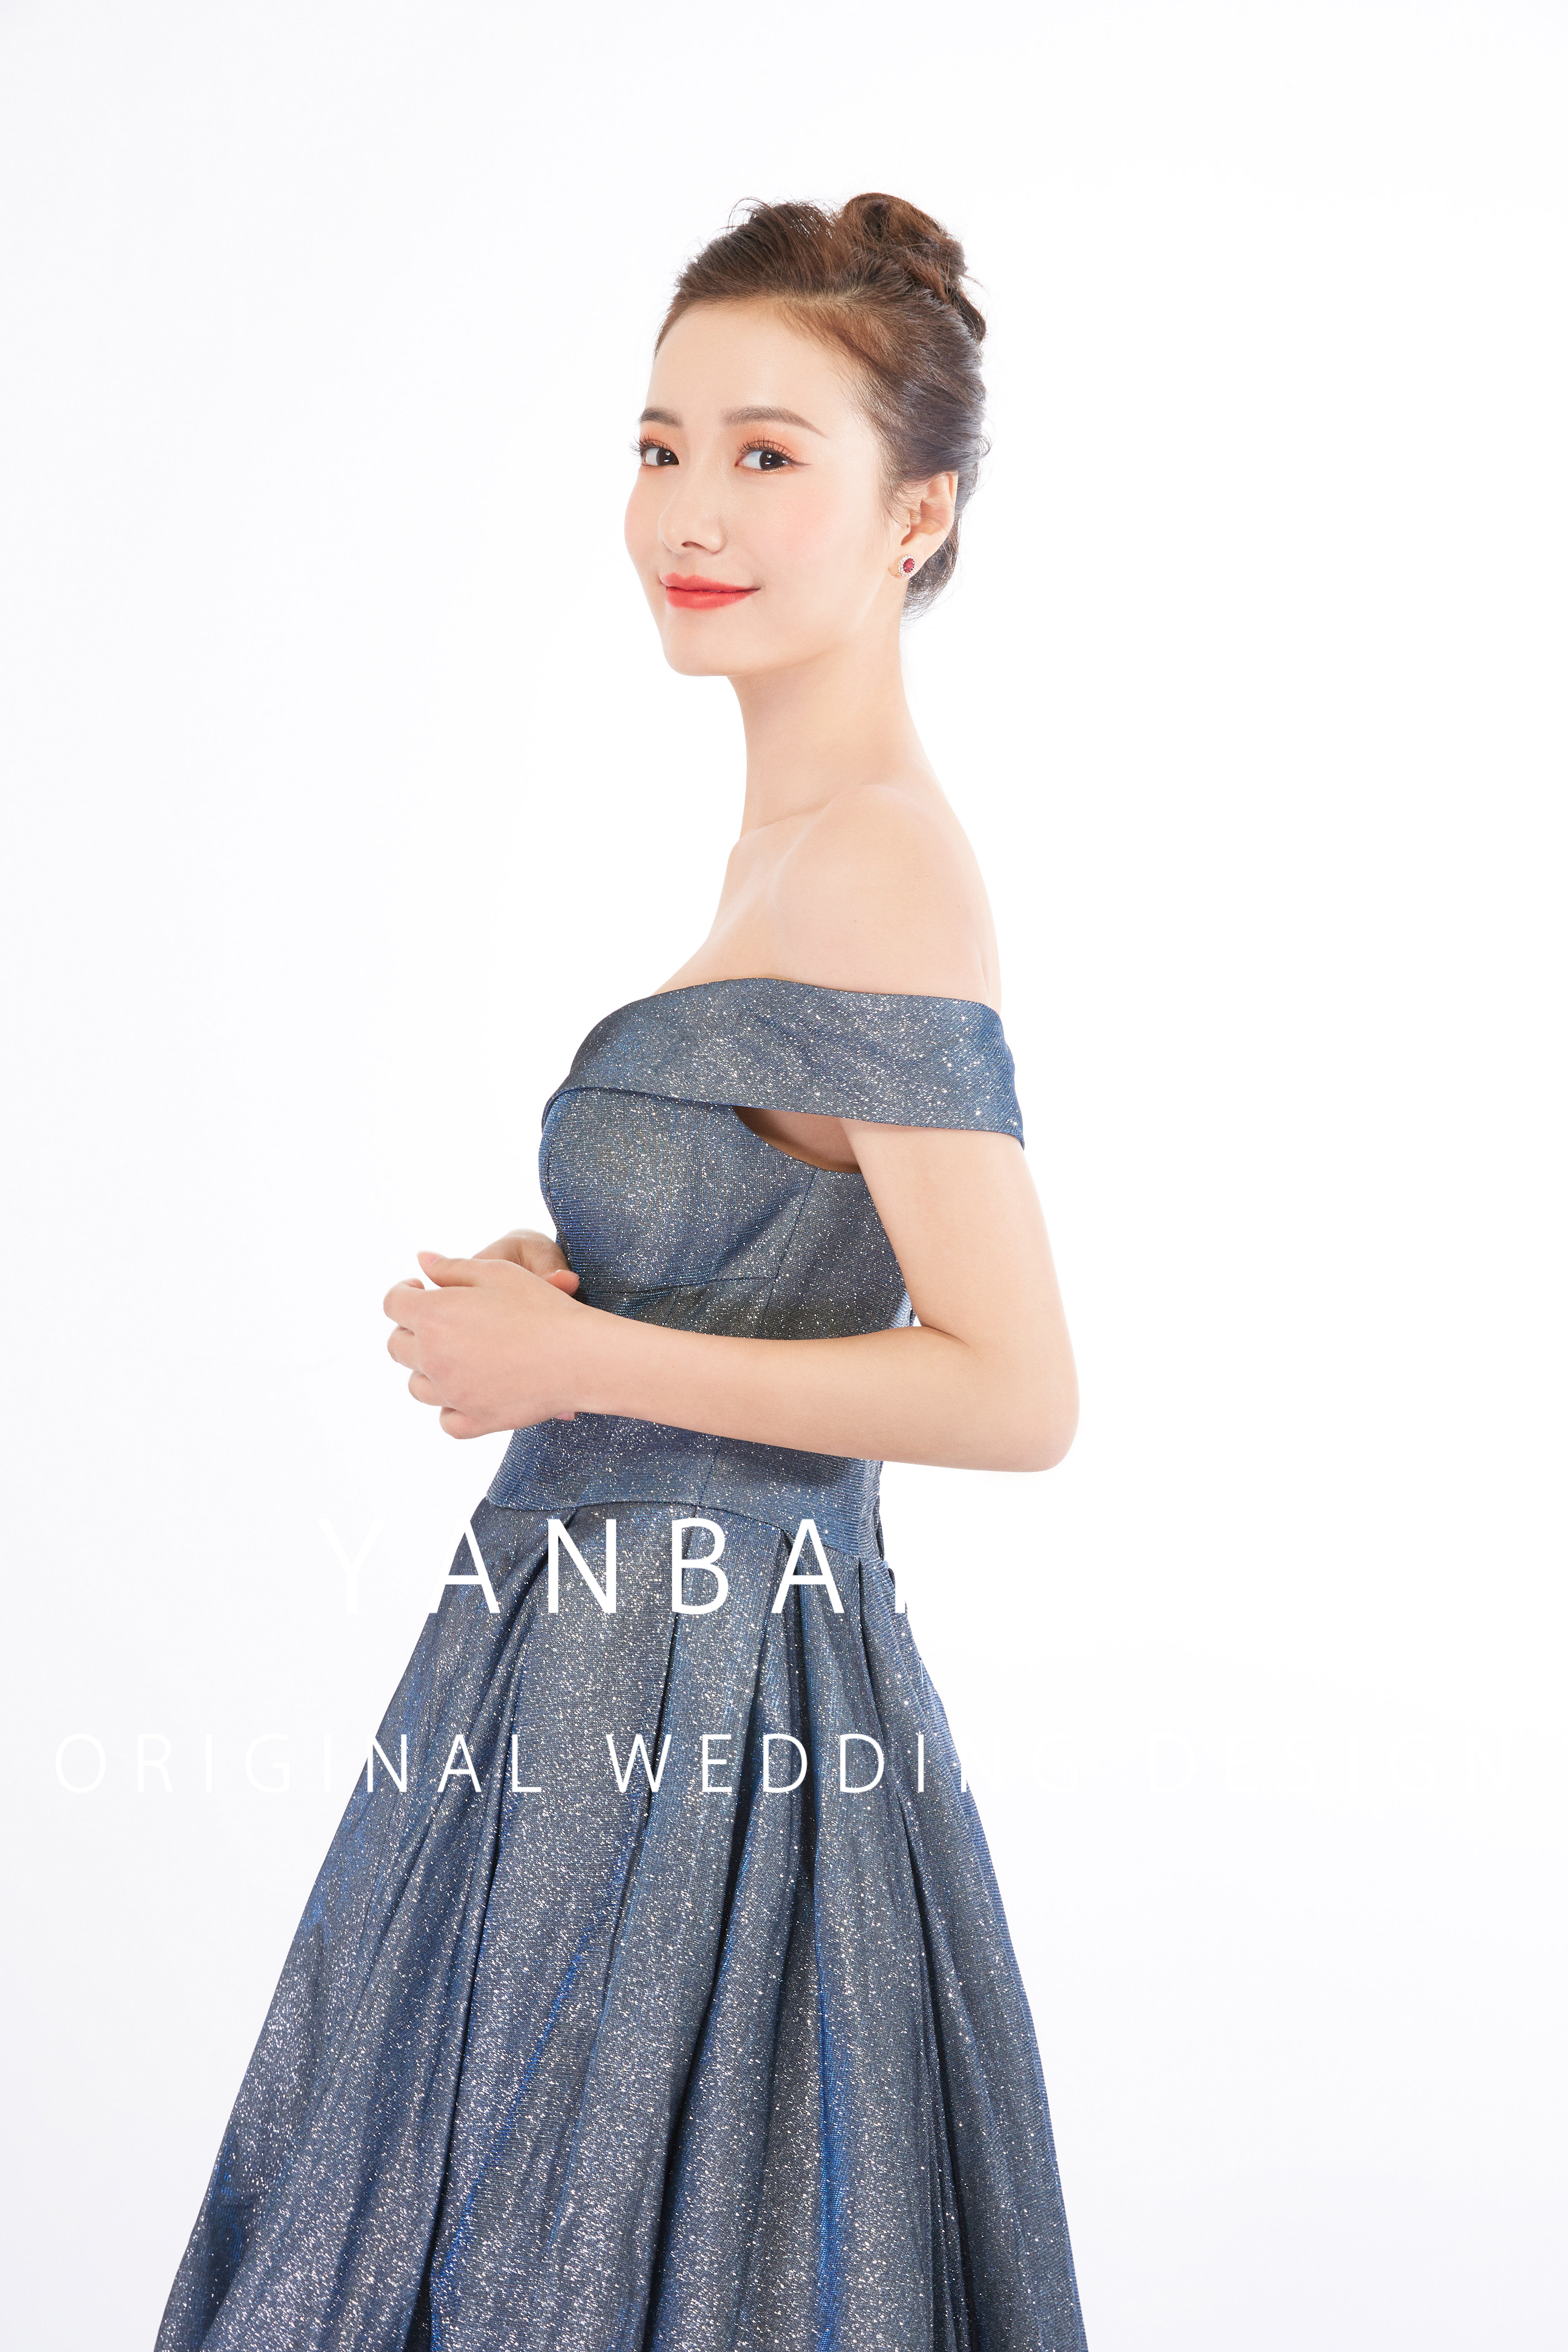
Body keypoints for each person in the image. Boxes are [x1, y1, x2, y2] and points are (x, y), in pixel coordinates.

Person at [158, 193, 1089, 2352]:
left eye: (769, 454)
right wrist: (599, 1299)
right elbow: (797, 1256)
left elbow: (1012, 1389)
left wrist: (580, 1357)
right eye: (661, 446)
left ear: (918, 514)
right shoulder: (786, 850)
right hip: (594, 1668)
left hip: (699, 1692)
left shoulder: (877, 863)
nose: (690, 508)